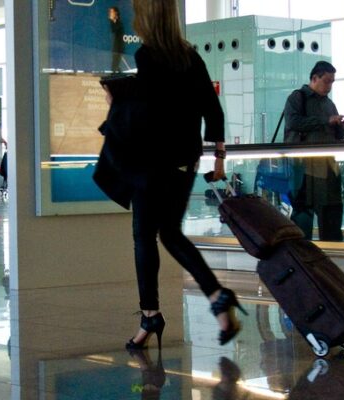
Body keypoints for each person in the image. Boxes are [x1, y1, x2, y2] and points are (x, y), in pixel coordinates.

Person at [95, 0, 244, 349]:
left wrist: (116, 101)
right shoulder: (190, 56)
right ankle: (218, 298)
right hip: (185, 161)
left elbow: (150, 109)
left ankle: (150, 315)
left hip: (154, 163)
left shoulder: (148, 56)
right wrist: (218, 159)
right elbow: (213, 110)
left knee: (144, 237)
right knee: (171, 234)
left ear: (147, 17)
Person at [283, 61, 344, 242]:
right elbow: (293, 123)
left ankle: (331, 258)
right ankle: (302, 260)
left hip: (327, 169)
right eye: (327, 81)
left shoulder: (329, 104)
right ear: (314, 78)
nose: (329, 86)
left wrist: (343, 127)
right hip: (304, 171)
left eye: (332, 82)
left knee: (331, 220)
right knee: (302, 220)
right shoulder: (297, 98)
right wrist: (326, 120)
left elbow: (336, 136)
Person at [109, 6, 125, 72]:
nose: (110, 13)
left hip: (118, 48)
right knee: (116, 66)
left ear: (116, 13)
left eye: (111, 12)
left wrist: (111, 20)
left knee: (114, 66)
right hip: (116, 48)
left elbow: (113, 29)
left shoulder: (119, 23)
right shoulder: (116, 22)